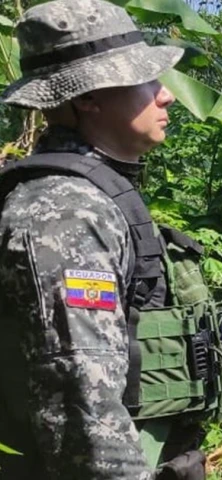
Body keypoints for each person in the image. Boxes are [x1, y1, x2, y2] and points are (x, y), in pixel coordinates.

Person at [0, 0, 210, 478]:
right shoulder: (66, 213)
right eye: (145, 81)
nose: (168, 96)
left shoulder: (90, 194)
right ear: (87, 98)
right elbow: (83, 408)